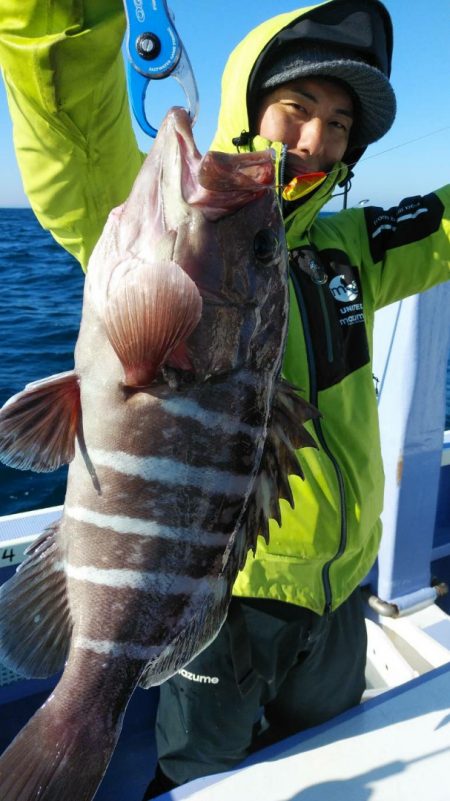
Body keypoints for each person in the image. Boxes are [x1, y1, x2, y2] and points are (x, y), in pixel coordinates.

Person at [0, 0, 449, 798]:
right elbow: (70, 131)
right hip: (220, 599)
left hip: (339, 595)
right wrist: (57, 15)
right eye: (296, 108)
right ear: (248, 107)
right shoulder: (163, 217)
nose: (315, 139)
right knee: (202, 778)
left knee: (327, 756)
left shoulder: (353, 251)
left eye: (340, 123)